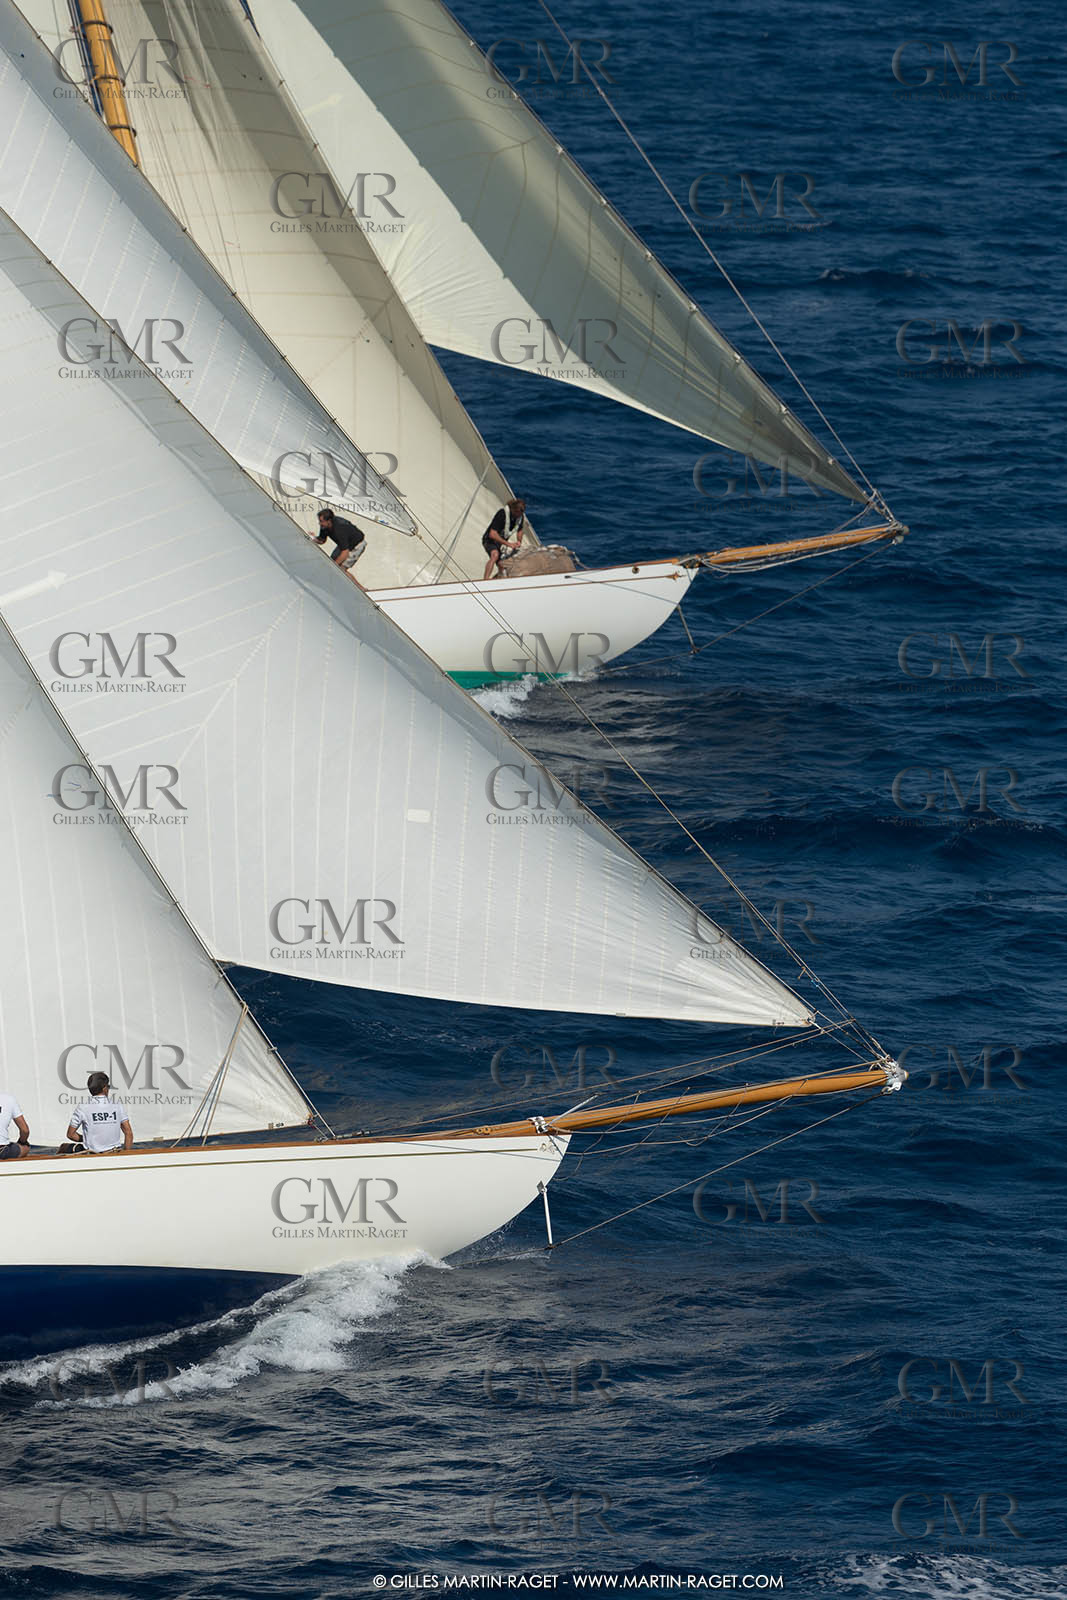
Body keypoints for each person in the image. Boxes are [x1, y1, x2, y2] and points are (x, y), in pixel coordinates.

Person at [64, 1072, 133, 1155]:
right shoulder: (117, 1106)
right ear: (104, 1088)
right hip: (115, 1153)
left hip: (93, 1155)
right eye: (108, 1086)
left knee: (63, 1147)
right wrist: (125, 1155)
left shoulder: (82, 1107)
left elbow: (70, 1135)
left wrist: (87, 1139)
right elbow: (128, 1133)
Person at [315, 508, 367, 587]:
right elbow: (322, 540)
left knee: (340, 569)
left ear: (329, 521)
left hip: (356, 545)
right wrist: (313, 539)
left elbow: (345, 553)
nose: (319, 523)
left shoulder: (339, 529)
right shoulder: (324, 527)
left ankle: (362, 590)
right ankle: (332, 584)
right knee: (331, 562)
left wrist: (335, 565)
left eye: (321, 521)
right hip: (344, 545)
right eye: (319, 521)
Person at [482, 498, 526, 580]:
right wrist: (509, 544)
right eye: (517, 513)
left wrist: (519, 541)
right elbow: (492, 534)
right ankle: (485, 580)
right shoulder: (502, 514)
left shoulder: (520, 517)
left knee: (503, 566)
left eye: (520, 514)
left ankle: (496, 581)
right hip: (489, 540)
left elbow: (520, 530)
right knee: (495, 555)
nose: (518, 515)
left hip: (500, 543)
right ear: (513, 509)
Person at [0, 1089, 30, 1159]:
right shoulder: (9, 1099)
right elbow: (25, 1130)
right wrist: (22, 1142)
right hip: (2, 1151)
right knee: (25, 1148)